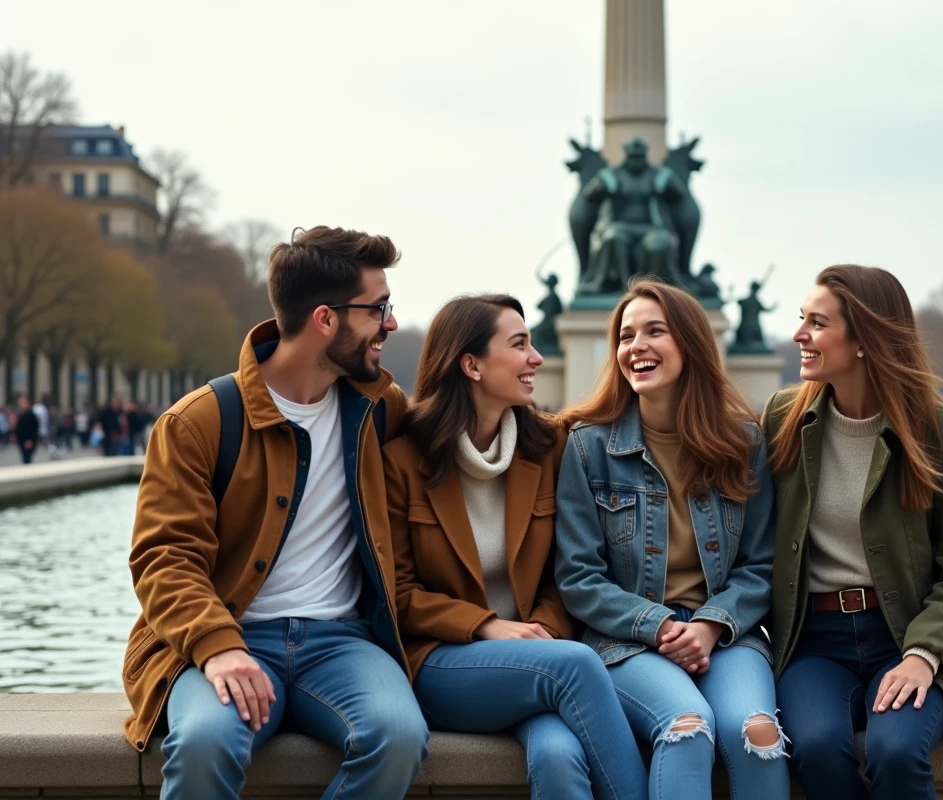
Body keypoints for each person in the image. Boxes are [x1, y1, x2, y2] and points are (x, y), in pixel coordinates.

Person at [122, 226, 427, 799]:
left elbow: (454, 446)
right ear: (325, 320)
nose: (389, 322)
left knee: (400, 734)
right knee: (204, 744)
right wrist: (218, 646)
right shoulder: (198, 422)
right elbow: (164, 559)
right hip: (230, 633)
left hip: (343, 643)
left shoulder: (379, 408)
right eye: (378, 309)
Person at [763, 265, 943, 800]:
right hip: (814, 646)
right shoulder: (784, 417)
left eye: (816, 323)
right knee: (813, 747)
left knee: (896, 752)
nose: (798, 336)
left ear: (862, 340)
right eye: (801, 320)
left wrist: (923, 654)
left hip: (905, 636)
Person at [384, 294, 647, 800]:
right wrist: (485, 626)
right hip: (443, 662)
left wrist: (539, 633)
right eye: (520, 344)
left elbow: (565, 573)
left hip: (539, 660)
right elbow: (397, 593)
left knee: (557, 755)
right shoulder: (401, 461)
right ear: (472, 365)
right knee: (577, 664)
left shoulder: (548, 450)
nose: (537, 359)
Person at [556, 278, 788, 800]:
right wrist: (659, 625)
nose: (635, 346)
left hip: (727, 635)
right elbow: (578, 577)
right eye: (625, 335)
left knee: (758, 733)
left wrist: (709, 625)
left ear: (690, 344)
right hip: (624, 641)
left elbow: (761, 565)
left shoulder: (742, 441)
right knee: (687, 728)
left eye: (654, 331)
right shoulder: (588, 446)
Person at [15, 394, 39, 464]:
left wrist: (29, 440)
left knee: (27, 460)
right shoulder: (22, 414)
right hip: (22, 441)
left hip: (28, 441)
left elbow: (33, 428)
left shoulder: (30, 415)